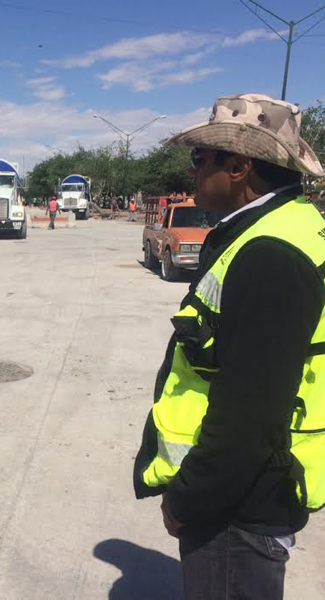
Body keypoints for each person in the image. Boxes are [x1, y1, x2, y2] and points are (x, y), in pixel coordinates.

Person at [133, 94, 325, 599]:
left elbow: (250, 414)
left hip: (236, 510)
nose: (192, 172)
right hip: (247, 496)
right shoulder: (284, 228)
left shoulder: (270, 254)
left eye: (200, 160)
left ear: (239, 167)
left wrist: (190, 498)